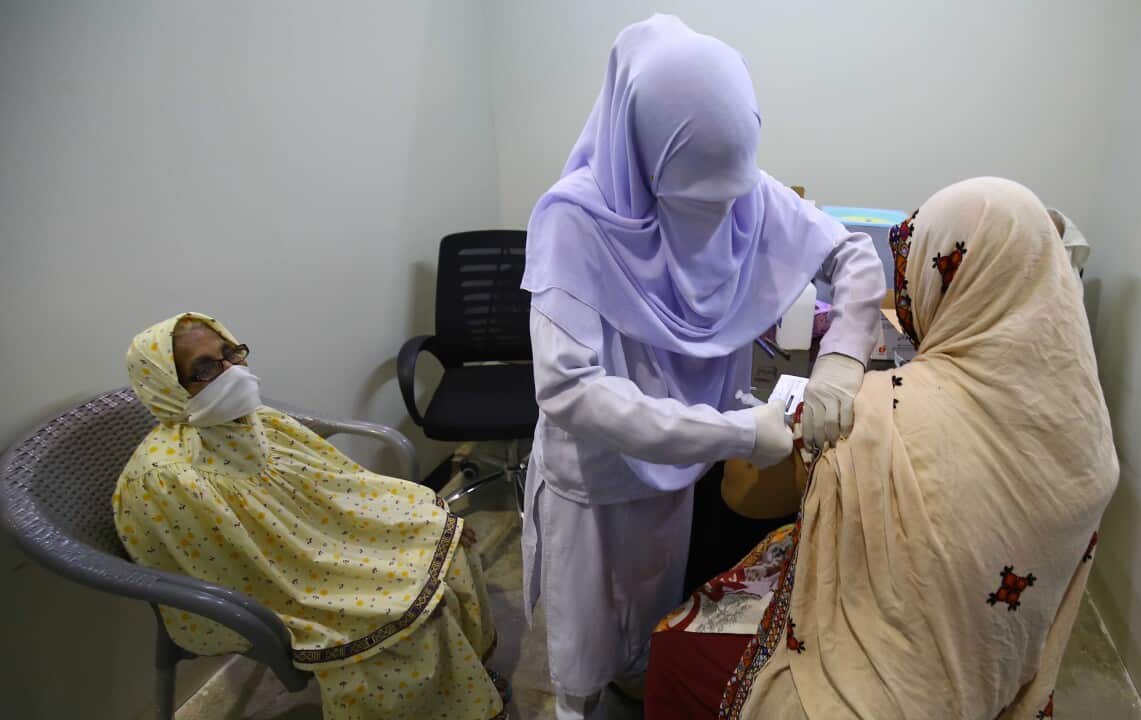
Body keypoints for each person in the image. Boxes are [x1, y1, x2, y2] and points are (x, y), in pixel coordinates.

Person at [520, 15, 885, 719]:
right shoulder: (576, 221)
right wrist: (735, 434)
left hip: (686, 469)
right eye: (690, 202)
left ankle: (637, 679)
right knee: (584, 651)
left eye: (725, 201)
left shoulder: (742, 187)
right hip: (597, 481)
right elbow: (570, 391)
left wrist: (841, 358)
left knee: (658, 615)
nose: (715, 223)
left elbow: (854, 259)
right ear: (644, 156)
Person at [645, 177, 1119, 719]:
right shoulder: (1090, 433)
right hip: (996, 665)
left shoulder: (879, 415)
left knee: (675, 647)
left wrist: (760, 425)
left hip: (885, 688)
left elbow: (742, 492)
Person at [113, 313, 507, 720]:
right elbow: (241, 568)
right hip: (287, 576)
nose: (232, 371)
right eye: (206, 367)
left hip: (321, 537)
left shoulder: (255, 420)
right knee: (410, 619)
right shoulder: (170, 479)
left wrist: (417, 516)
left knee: (448, 540)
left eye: (230, 353)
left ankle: (464, 686)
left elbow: (337, 482)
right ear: (167, 389)